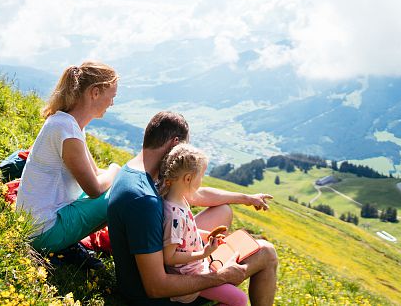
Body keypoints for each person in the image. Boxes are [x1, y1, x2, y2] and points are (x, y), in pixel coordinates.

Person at [107, 111, 278, 306]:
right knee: (266, 252)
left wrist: (246, 198)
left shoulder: (138, 171)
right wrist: (221, 276)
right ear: (175, 144)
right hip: (158, 294)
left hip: (167, 260)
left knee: (223, 210)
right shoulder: (144, 200)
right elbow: (156, 287)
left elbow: (196, 194)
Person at [16, 61, 122, 267]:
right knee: (121, 197)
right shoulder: (67, 131)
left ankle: (68, 244)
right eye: (112, 96)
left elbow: (94, 173)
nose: (112, 103)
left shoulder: (68, 124)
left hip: (37, 224)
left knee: (119, 188)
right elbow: (94, 189)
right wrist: (115, 169)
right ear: (95, 92)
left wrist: (115, 175)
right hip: (42, 232)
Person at [159, 144, 247, 306]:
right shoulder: (174, 216)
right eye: (201, 176)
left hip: (196, 267)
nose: (202, 180)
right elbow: (169, 257)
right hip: (189, 277)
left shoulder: (178, 200)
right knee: (239, 299)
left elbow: (183, 236)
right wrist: (204, 253)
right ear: (188, 179)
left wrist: (206, 235)